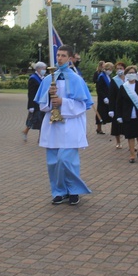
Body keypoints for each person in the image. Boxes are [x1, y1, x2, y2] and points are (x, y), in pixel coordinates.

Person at [35, 44, 94, 205]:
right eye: (58, 55)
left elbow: (82, 105)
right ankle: (59, 191)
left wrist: (62, 101)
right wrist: (48, 96)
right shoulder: (48, 79)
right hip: (53, 126)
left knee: (66, 160)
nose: (59, 58)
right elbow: (42, 106)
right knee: (53, 162)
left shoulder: (76, 79)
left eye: (62, 56)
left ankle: (73, 190)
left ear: (69, 59)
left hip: (70, 125)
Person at [115, 65, 138, 163]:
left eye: (133, 72)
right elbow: (119, 103)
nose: (131, 74)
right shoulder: (123, 87)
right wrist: (119, 116)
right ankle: (132, 155)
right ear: (126, 75)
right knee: (130, 135)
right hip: (128, 115)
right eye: (129, 73)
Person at [22, 61, 46, 141]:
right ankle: (25, 132)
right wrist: (30, 106)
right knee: (32, 120)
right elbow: (31, 93)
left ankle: (41, 138)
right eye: (43, 69)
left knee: (43, 120)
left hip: (42, 103)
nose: (44, 70)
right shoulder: (33, 78)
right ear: (38, 69)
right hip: (35, 104)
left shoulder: (42, 78)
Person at [108, 62, 126, 149]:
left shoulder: (128, 79)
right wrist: (111, 109)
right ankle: (118, 142)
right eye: (117, 68)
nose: (119, 70)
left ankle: (131, 143)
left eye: (121, 68)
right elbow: (111, 95)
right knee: (116, 125)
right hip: (117, 105)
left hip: (127, 105)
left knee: (128, 125)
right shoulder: (114, 80)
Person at [95, 62, 114, 135]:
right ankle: (99, 128)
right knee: (101, 112)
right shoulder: (101, 76)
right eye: (110, 69)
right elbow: (99, 89)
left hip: (109, 97)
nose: (110, 70)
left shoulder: (108, 76)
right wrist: (104, 97)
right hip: (103, 98)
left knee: (109, 113)